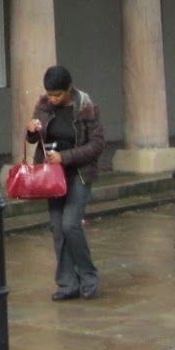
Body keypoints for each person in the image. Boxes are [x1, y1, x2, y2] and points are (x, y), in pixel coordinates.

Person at [24, 64, 105, 301]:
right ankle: (67, 284)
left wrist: (65, 157)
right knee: (57, 228)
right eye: (49, 94)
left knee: (70, 224)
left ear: (68, 88)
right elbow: (34, 139)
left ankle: (88, 277)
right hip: (51, 175)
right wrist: (31, 130)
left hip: (79, 173)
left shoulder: (86, 107)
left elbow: (97, 145)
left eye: (57, 94)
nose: (53, 99)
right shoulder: (44, 105)